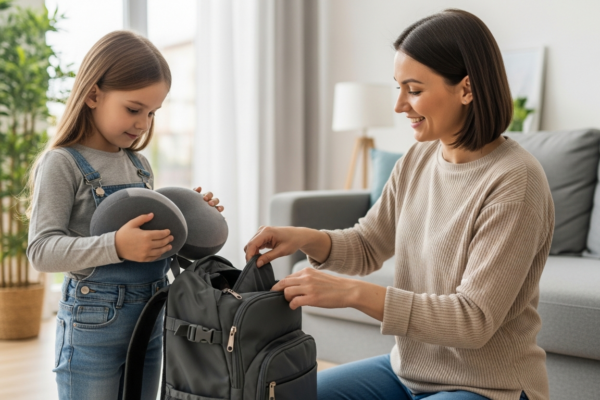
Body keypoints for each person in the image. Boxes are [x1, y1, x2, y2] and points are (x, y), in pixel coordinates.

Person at [244, 9, 554, 400]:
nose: (400, 106)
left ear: (467, 89)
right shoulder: (418, 158)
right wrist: (306, 237)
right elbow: (369, 244)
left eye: (415, 89)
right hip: (405, 372)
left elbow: (473, 320)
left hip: (491, 387)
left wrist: (352, 293)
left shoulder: (516, 180)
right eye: (399, 88)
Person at [26, 31, 223, 400]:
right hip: (94, 321)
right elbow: (41, 250)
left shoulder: (140, 165)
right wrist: (115, 245)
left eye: (152, 113)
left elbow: (156, 247)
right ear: (93, 94)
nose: (143, 123)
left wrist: (193, 221)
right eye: (134, 109)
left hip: (151, 314)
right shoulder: (63, 163)